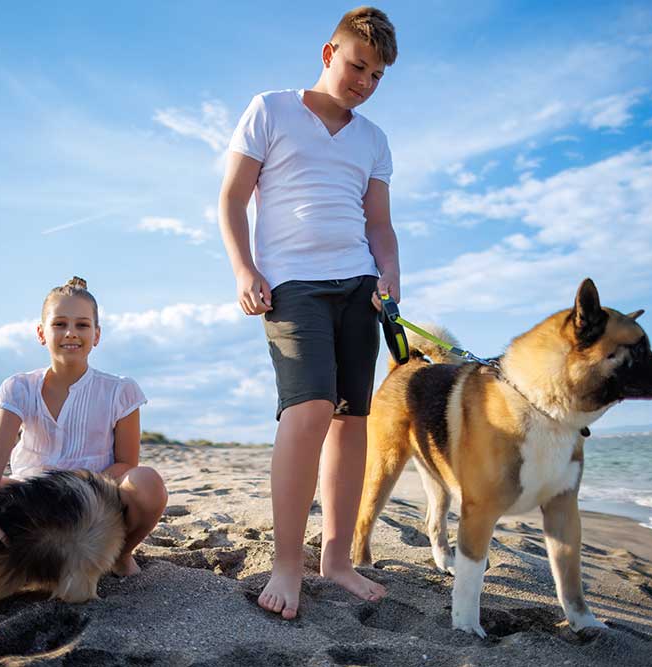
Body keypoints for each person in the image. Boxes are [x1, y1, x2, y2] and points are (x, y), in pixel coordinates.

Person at [218, 6, 400, 619]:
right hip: (293, 284)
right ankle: (287, 564)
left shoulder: (374, 140)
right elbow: (232, 199)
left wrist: (390, 275)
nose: (364, 83)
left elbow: (380, 224)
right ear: (329, 53)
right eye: (357, 66)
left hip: (360, 286)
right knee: (310, 409)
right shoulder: (269, 109)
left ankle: (338, 560)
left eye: (376, 76)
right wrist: (245, 269)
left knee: (352, 419)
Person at [0, 276, 168, 577]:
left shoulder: (120, 391)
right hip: (32, 495)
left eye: (82, 325)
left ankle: (120, 555)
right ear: (41, 333)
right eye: (59, 324)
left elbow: (127, 463)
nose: (71, 333)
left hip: (94, 499)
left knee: (148, 482)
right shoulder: (19, 387)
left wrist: (76, 479)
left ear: (97, 335)